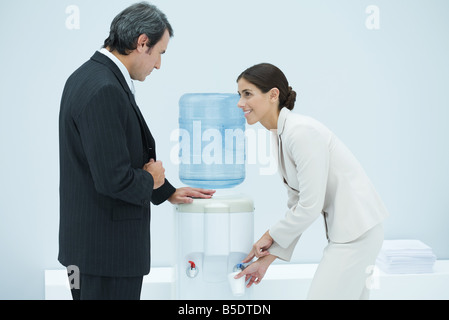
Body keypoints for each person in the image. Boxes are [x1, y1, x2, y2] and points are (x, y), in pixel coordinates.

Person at [58, 2, 215, 300]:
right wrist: (151, 180)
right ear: (142, 43)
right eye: (160, 54)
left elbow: (113, 155)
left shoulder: (87, 77)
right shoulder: (104, 88)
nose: (158, 65)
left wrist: (165, 191)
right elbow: (113, 179)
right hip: (107, 256)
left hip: (90, 253)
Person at [234, 63, 389, 300]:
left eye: (248, 94)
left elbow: (309, 205)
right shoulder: (280, 134)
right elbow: (298, 202)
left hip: (357, 233)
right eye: (239, 95)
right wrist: (266, 260)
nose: (240, 103)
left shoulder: (300, 132)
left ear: (273, 94)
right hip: (350, 233)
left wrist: (270, 234)